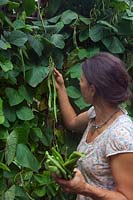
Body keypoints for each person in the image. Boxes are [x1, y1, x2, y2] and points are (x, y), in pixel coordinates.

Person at [53, 52, 133, 200]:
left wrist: (84, 189)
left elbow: (127, 198)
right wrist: (61, 87)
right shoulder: (95, 115)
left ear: (92, 89)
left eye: (82, 80)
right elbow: (72, 122)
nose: (79, 82)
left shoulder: (120, 135)